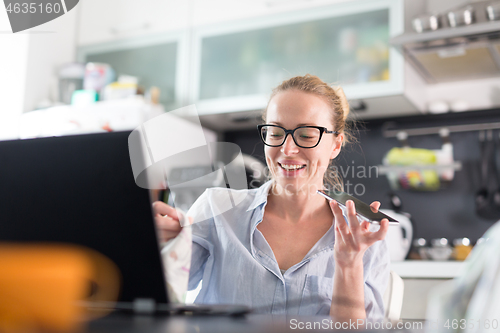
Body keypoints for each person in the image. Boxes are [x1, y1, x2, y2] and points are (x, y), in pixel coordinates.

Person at [154, 74, 390, 320]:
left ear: (336, 145)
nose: (287, 149)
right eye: (276, 133)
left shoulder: (364, 234)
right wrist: (158, 245)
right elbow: (163, 295)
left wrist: (348, 265)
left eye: (307, 135)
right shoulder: (216, 209)